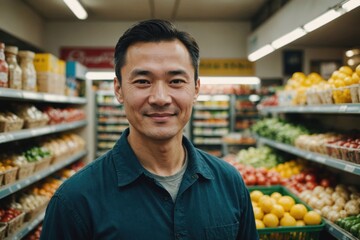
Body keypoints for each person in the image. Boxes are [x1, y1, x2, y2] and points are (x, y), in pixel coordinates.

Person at [40, 19, 259, 240]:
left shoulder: (230, 183)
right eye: (143, 81)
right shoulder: (74, 200)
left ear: (196, 89)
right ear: (118, 90)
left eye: (175, 81)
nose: (160, 98)